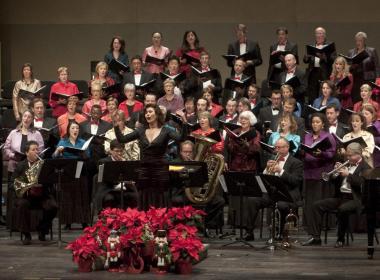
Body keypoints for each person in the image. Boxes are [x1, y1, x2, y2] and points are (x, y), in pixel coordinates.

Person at [114, 104, 184, 210]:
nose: (147, 114)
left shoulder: (166, 130)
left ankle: (161, 221)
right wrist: (115, 126)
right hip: (145, 169)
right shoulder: (141, 130)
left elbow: (181, 138)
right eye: (146, 112)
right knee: (144, 194)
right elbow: (122, 139)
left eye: (150, 112)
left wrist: (184, 123)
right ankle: (146, 223)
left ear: (157, 114)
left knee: (161, 195)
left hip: (160, 169)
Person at [303, 143, 371, 247]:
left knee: (342, 209)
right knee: (316, 205)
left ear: (359, 154)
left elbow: (363, 184)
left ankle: (340, 239)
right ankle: (316, 238)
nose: (348, 158)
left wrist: (349, 175)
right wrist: (335, 174)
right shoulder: (347, 163)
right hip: (342, 197)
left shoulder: (366, 167)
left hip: (356, 199)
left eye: (350, 155)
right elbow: (334, 183)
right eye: (347, 155)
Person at [246, 137, 303, 240]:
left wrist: (281, 171)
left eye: (279, 147)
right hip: (272, 194)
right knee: (252, 200)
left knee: (281, 205)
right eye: (275, 147)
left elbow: (295, 181)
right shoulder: (272, 158)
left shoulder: (296, 162)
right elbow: (265, 179)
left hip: (287, 195)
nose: (276, 150)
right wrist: (266, 170)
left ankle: (279, 233)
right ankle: (249, 232)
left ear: (287, 148)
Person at [3, 110, 44, 229]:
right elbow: (6, 148)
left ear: (32, 119)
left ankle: (32, 224)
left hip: (31, 168)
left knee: (29, 196)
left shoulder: (36, 134)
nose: (26, 119)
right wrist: (12, 155)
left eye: (29, 117)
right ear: (22, 118)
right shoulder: (13, 133)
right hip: (15, 166)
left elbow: (40, 150)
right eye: (25, 116)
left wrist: (32, 155)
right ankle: (14, 224)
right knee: (15, 194)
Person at [10, 140, 57, 245]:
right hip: (26, 196)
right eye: (33, 150)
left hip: (41, 195)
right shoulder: (21, 166)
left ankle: (42, 229)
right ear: (27, 152)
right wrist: (26, 186)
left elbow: (50, 182)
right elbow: (11, 184)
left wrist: (43, 183)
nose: (37, 152)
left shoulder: (43, 164)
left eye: (37, 149)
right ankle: (26, 234)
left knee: (53, 206)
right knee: (22, 205)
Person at [53, 121, 91, 228]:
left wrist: (83, 153)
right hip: (67, 170)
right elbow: (54, 156)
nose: (75, 130)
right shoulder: (63, 142)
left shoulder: (83, 142)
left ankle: (84, 220)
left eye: (77, 128)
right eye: (73, 128)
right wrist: (58, 151)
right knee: (68, 196)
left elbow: (88, 156)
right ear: (69, 130)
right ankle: (68, 221)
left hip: (80, 168)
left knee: (81, 194)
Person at [302, 113, 337, 230]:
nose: (315, 124)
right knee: (309, 199)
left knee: (319, 199)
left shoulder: (328, 136)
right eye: (313, 122)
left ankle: (321, 224)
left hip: (321, 172)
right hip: (309, 172)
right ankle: (309, 224)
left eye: (317, 122)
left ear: (322, 124)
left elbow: (332, 154)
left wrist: (321, 153)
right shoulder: (307, 136)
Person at [93, 140, 138, 214]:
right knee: (110, 198)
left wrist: (128, 181)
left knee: (133, 196)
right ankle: (108, 221)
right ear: (111, 151)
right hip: (107, 189)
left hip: (122, 189)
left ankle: (128, 219)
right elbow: (106, 178)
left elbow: (129, 177)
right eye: (117, 151)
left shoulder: (125, 162)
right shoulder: (103, 162)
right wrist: (121, 182)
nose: (119, 153)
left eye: (121, 151)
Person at [303, 27, 337, 104]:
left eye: (321, 33)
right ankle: (312, 108)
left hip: (324, 72)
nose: (319, 35)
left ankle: (323, 108)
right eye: (317, 33)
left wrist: (325, 57)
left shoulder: (330, 45)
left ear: (324, 35)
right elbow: (305, 61)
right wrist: (306, 57)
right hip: (313, 72)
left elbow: (334, 59)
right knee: (312, 93)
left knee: (323, 91)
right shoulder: (312, 46)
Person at [347, 32, 380, 103]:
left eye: (360, 40)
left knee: (369, 98)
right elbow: (348, 68)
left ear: (364, 41)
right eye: (357, 40)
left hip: (368, 78)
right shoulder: (351, 52)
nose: (358, 42)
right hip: (356, 79)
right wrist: (352, 66)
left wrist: (378, 78)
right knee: (357, 98)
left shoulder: (371, 51)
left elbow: (377, 67)